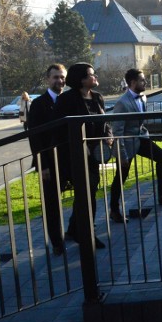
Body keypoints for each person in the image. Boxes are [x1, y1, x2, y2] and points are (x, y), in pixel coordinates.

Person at [108, 69, 162, 224]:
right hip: (127, 144)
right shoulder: (122, 103)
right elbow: (118, 132)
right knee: (121, 177)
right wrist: (122, 155)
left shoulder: (143, 97)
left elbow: (140, 121)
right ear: (133, 82)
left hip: (141, 139)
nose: (146, 82)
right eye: (142, 80)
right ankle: (114, 210)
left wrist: (145, 134)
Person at [55, 62, 112, 250]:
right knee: (87, 195)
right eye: (91, 75)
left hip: (94, 155)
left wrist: (108, 136)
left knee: (87, 193)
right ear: (81, 79)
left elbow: (105, 122)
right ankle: (87, 235)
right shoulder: (67, 100)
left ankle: (73, 229)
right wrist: (81, 144)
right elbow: (61, 129)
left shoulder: (97, 97)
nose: (95, 77)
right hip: (74, 157)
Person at [27, 64, 67, 256]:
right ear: (47, 79)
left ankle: (78, 230)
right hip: (49, 163)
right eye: (55, 77)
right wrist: (42, 165)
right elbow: (35, 138)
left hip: (69, 159)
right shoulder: (38, 104)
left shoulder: (68, 100)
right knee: (52, 204)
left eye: (62, 77)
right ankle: (57, 242)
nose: (59, 81)